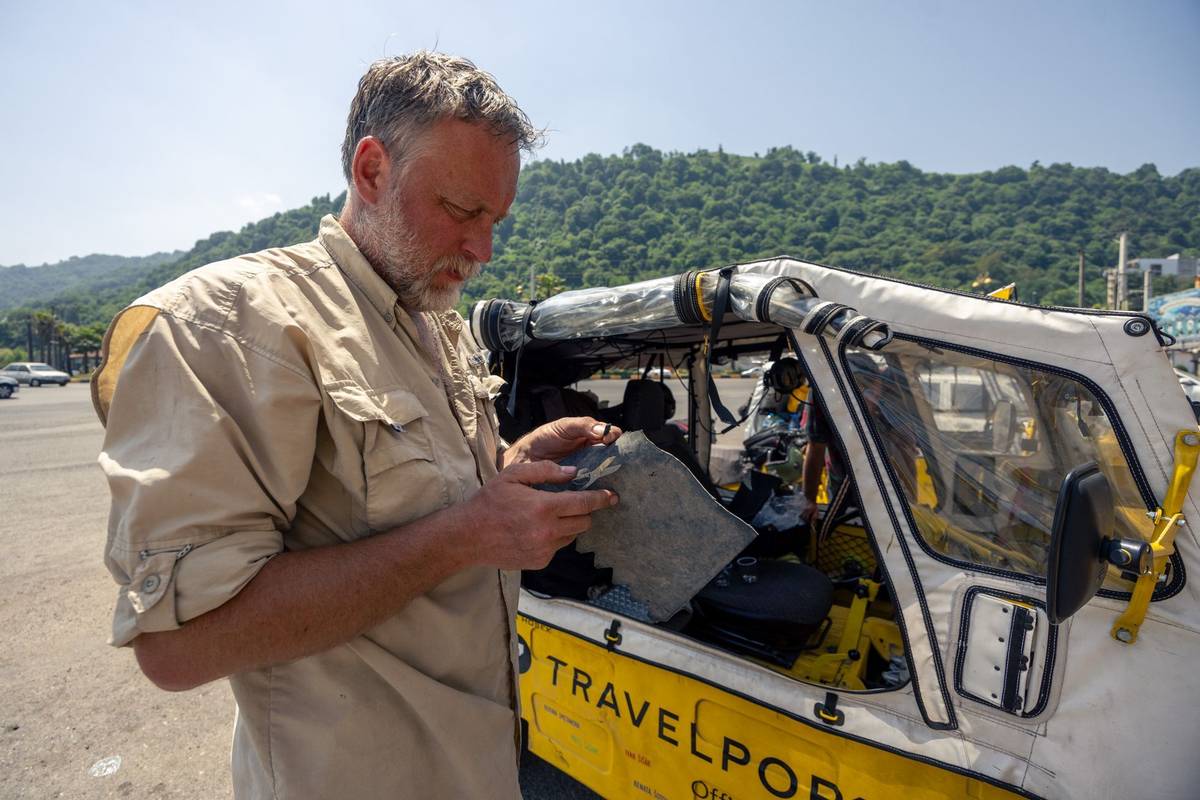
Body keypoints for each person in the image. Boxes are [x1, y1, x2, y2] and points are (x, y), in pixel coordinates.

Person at [92, 52, 620, 799]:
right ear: (371, 170)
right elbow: (178, 649)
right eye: (461, 210)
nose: (483, 250)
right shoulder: (228, 325)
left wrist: (513, 466)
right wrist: (467, 536)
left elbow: (419, 501)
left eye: (495, 221)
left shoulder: (438, 323)